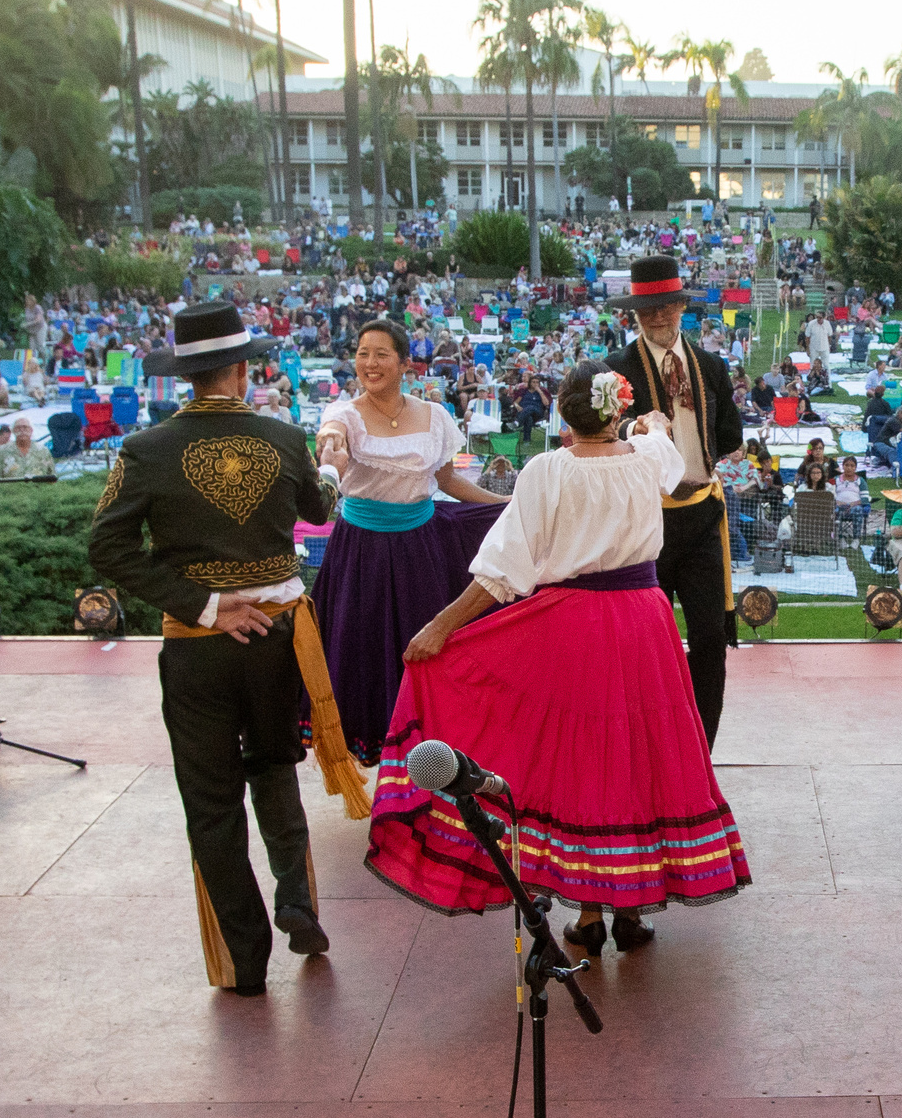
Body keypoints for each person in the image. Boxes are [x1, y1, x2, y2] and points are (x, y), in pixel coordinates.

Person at [366, 364, 750, 953]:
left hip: (572, 624)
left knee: (582, 757)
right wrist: (649, 426)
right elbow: (665, 453)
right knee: (635, 753)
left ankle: (591, 915)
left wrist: (441, 626)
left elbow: (502, 571)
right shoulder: (648, 460)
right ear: (616, 410)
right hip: (644, 622)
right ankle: (629, 908)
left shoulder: (547, 471)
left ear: (564, 416)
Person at [89, 301, 352, 996]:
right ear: (242, 370)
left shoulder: (145, 449)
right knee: (274, 764)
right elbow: (319, 510)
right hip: (275, 633)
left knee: (210, 799)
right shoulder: (281, 435)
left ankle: (245, 960)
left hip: (197, 642)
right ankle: (296, 896)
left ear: (186, 375)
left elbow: (107, 546)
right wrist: (330, 469)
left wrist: (205, 604)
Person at [311, 320, 508, 762]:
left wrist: (503, 504)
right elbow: (332, 432)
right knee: (365, 647)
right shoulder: (345, 414)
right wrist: (331, 442)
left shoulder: (434, 416)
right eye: (363, 353)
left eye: (381, 354)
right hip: (361, 553)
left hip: (420, 549)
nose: (370, 363)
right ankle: (379, 745)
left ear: (405, 364)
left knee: (425, 642)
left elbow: (447, 480)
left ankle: (428, 749)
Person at [607, 257, 744, 749]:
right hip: (647, 522)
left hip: (703, 516)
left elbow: (730, 434)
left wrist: (703, 461)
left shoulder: (710, 366)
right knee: (643, 644)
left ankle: (701, 749)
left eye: (666, 306)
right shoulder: (616, 369)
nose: (658, 316)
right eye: (647, 309)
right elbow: (604, 429)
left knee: (709, 638)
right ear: (635, 314)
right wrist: (636, 427)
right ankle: (649, 747)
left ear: (683, 306)